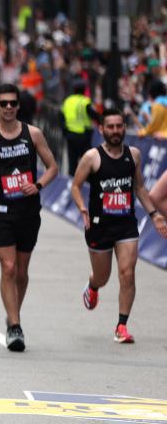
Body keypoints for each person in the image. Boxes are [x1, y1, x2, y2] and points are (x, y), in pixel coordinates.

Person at [0, 83, 59, 352]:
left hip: (28, 211)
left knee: (22, 272)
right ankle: (15, 326)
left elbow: (53, 167)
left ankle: (12, 310)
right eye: (3, 103)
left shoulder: (34, 134)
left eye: (12, 103)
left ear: (18, 106)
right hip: (1, 212)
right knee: (8, 267)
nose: (8, 107)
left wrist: (37, 185)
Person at [70, 108, 167, 344]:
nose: (115, 131)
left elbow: (140, 188)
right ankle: (93, 285)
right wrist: (82, 207)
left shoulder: (133, 155)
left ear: (124, 128)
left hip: (126, 224)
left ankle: (121, 326)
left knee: (128, 273)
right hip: (99, 226)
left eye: (119, 126)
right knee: (103, 277)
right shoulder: (92, 157)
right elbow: (75, 185)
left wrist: (154, 215)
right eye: (110, 127)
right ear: (101, 129)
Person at [60, 79, 98, 175]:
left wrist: (64, 132)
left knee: (72, 161)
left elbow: (60, 116)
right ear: (84, 90)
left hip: (70, 135)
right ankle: (87, 183)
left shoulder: (67, 101)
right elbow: (94, 115)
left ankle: (71, 182)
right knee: (87, 161)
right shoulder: (85, 101)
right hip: (83, 136)